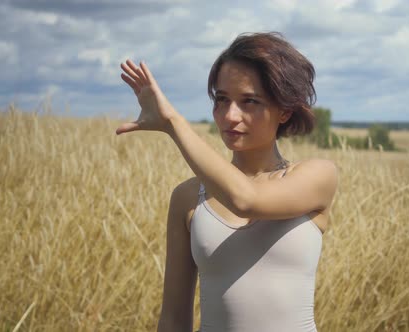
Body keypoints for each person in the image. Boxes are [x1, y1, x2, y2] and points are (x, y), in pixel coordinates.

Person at [117, 32, 338, 332]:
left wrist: (171, 122)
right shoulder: (187, 197)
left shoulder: (318, 176)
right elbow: (172, 319)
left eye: (249, 101)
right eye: (222, 99)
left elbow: (246, 200)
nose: (230, 116)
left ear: (284, 110)